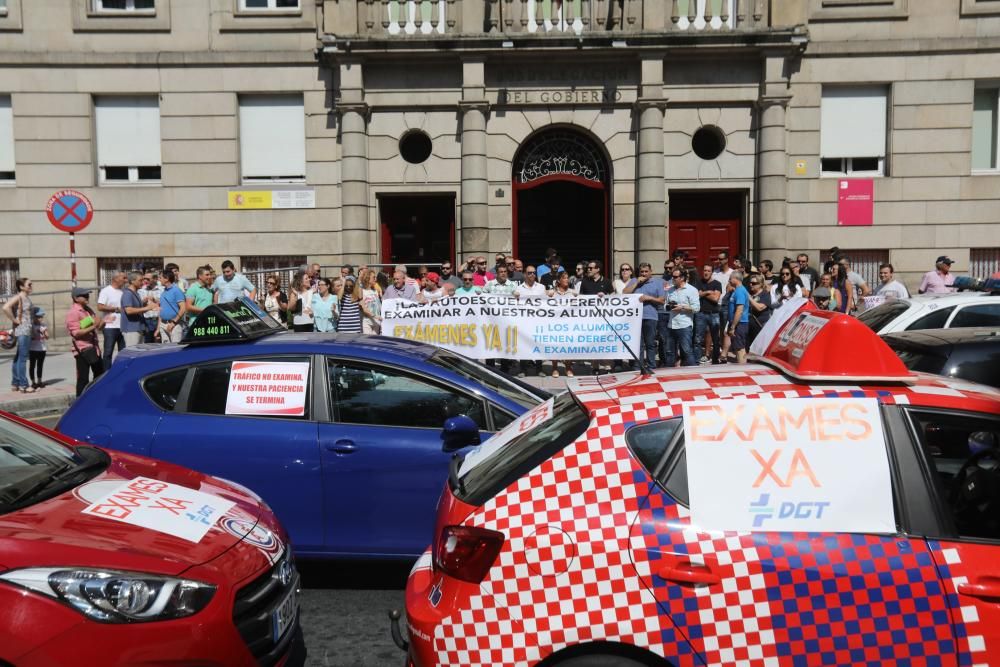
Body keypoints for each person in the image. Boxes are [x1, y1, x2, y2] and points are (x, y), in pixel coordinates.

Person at [623, 263, 665, 371]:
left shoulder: (657, 283)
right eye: (642, 272)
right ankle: (638, 366)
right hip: (635, 317)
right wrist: (637, 282)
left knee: (650, 343)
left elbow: (662, 300)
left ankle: (651, 365)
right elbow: (624, 293)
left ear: (651, 272)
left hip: (651, 316)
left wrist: (648, 298)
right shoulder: (634, 281)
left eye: (646, 271)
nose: (644, 274)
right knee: (638, 344)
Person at [65, 287, 105, 397]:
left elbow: (97, 325)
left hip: (93, 347)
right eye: (84, 295)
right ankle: (80, 401)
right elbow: (76, 333)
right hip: (83, 348)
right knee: (83, 377)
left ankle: (94, 397)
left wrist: (103, 323)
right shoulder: (73, 312)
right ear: (76, 298)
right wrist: (94, 326)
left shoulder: (87, 309)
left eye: (88, 295)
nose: (87, 297)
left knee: (99, 374)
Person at [3, 277, 35, 393]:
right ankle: (24, 385)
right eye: (29, 284)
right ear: (21, 286)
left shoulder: (26, 297)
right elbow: (5, 307)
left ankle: (15, 383)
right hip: (23, 331)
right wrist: (14, 320)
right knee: (22, 359)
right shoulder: (19, 296)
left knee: (18, 358)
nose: (31, 286)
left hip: (25, 330)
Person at [663, 268, 700, 367]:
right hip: (671, 325)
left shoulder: (692, 290)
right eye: (672, 276)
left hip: (684, 325)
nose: (673, 279)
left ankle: (694, 374)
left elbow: (696, 308)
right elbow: (665, 304)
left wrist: (682, 307)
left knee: (686, 351)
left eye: (675, 277)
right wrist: (669, 306)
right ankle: (668, 375)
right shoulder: (670, 290)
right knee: (670, 352)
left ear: (682, 278)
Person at [546, 271, 576, 377]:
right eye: (564, 278)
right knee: (555, 345)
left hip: (569, 324)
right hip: (555, 324)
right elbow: (538, 299)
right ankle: (555, 367)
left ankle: (568, 367)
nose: (566, 280)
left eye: (567, 278)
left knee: (568, 346)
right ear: (559, 280)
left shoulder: (573, 292)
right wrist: (547, 293)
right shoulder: (552, 293)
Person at [692, 264, 722, 365]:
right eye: (705, 270)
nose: (706, 272)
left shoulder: (717, 284)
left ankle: (715, 359)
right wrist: (709, 292)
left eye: (708, 271)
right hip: (701, 314)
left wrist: (703, 293)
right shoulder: (698, 283)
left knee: (716, 339)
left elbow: (715, 299)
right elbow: (697, 294)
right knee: (698, 339)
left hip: (714, 314)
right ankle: (696, 360)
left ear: (712, 272)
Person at [97, 271, 126, 368]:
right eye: (123, 278)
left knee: (123, 353)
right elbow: (100, 306)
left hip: (123, 326)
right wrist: (116, 309)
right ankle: (107, 374)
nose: (125, 280)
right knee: (108, 352)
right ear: (116, 279)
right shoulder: (106, 291)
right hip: (110, 326)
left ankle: (120, 373)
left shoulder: (124, 291)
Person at [121, 271, 154, 348]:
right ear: (132, 281)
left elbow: (136, 308)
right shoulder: (127, 293)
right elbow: (128, 310)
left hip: (138, 328)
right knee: (132, 354)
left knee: (139, 353)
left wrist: (143, 303)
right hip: (131, 329)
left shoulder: (135, 292)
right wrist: (147, 308)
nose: (143, 282)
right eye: (140, 280)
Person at [157, 269, 188, 344]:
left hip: (174, 325)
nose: (159, 279)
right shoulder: (164, 291)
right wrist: (159, 327)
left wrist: (173, 323)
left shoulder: (176, 291)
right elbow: (162, 309)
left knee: (175, 349)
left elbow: (183, 308)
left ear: (166, 279)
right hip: (163, 324)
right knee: (165, 350)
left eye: (160, 278)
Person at [727, 271, 750, 364]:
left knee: (740, 349)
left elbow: (739, 310)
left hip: (740, 324)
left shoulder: (740, 291)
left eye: (730, 278)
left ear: (735, 279)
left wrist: (733, 326)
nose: (729, 280)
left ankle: (743, 370)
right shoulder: (737, 290)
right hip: (738, 324)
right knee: (738, 348)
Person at [747, 275, 773, 346]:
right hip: (749, 324)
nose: (751, 285)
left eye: (754, 283)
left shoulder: (765, 295)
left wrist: (749, 298)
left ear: (761, 284)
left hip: (760, 325)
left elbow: (759, 308)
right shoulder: (750, 293)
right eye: (750, 283)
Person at [138, 271, 162, 343]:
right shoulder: (141, 290)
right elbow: (138, 305)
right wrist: (143, 302)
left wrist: (155, 299)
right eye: (144, 278)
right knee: (148, 343)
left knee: (158, 342)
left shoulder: (162, 289)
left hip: (159, 320)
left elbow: (165, 304)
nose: (145, 281)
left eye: (148, 279)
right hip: (146, 320)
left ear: (155, 279)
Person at [28, 307, 48, 390]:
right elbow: (30, 336)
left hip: (42, 348)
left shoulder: (43, 326)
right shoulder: (31, 326)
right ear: (34, 317)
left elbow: (47, 336)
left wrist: (44, 333)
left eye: (41, 317)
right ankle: (33, 382)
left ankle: (39, 381)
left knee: (40, 365)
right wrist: (33, 334)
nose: (40, 318)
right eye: (38, 317)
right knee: (32, 366)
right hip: (32, 349)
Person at [359, 268, 382, 334]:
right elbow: (364, 309)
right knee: (367, 342)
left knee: (375, 343)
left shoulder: (375, 291)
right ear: (367, 278)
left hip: (377, 322)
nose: (376, 279)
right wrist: (375, 316)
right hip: (367, 322)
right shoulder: (363, 291)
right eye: (373, 277)